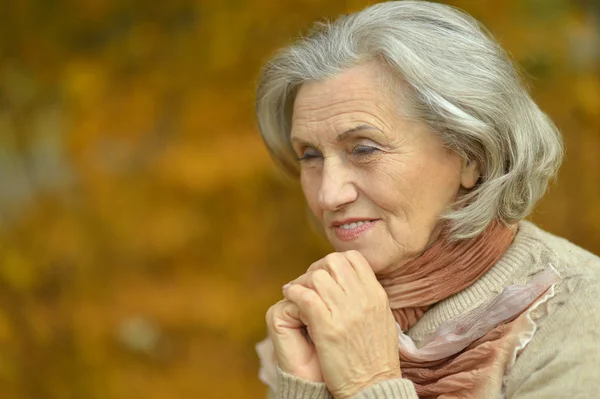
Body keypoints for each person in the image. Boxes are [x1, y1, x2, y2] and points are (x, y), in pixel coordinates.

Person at [253, 1, 600, 398]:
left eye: (364, 149)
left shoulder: (581, 315)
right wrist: (307, 389)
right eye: (311, 156)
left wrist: (369, 384)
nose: (329, 194)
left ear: (472, 154)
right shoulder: (322, 317)